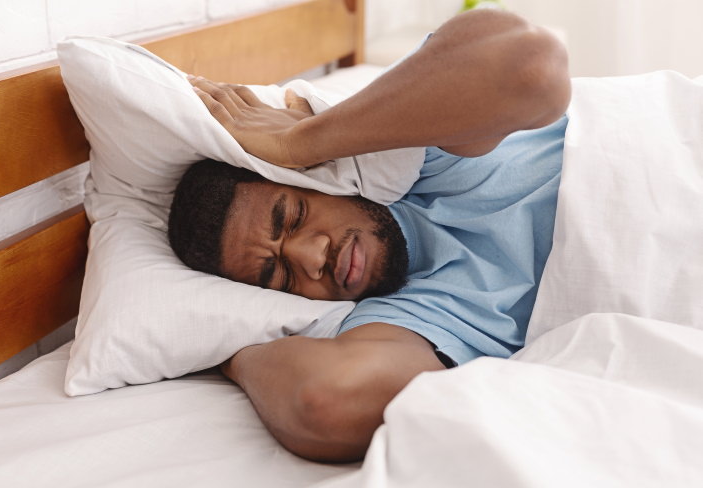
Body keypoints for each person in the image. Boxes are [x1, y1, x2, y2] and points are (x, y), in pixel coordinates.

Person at [169, 9, 570, 462]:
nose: (311, 257)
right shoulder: (412, 317)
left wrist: (301, 142)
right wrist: (227, 352)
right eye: (277, 274)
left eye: (295, 215)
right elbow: (326, 403)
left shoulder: (418, 148)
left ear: (312, 179)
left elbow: (533, 65)